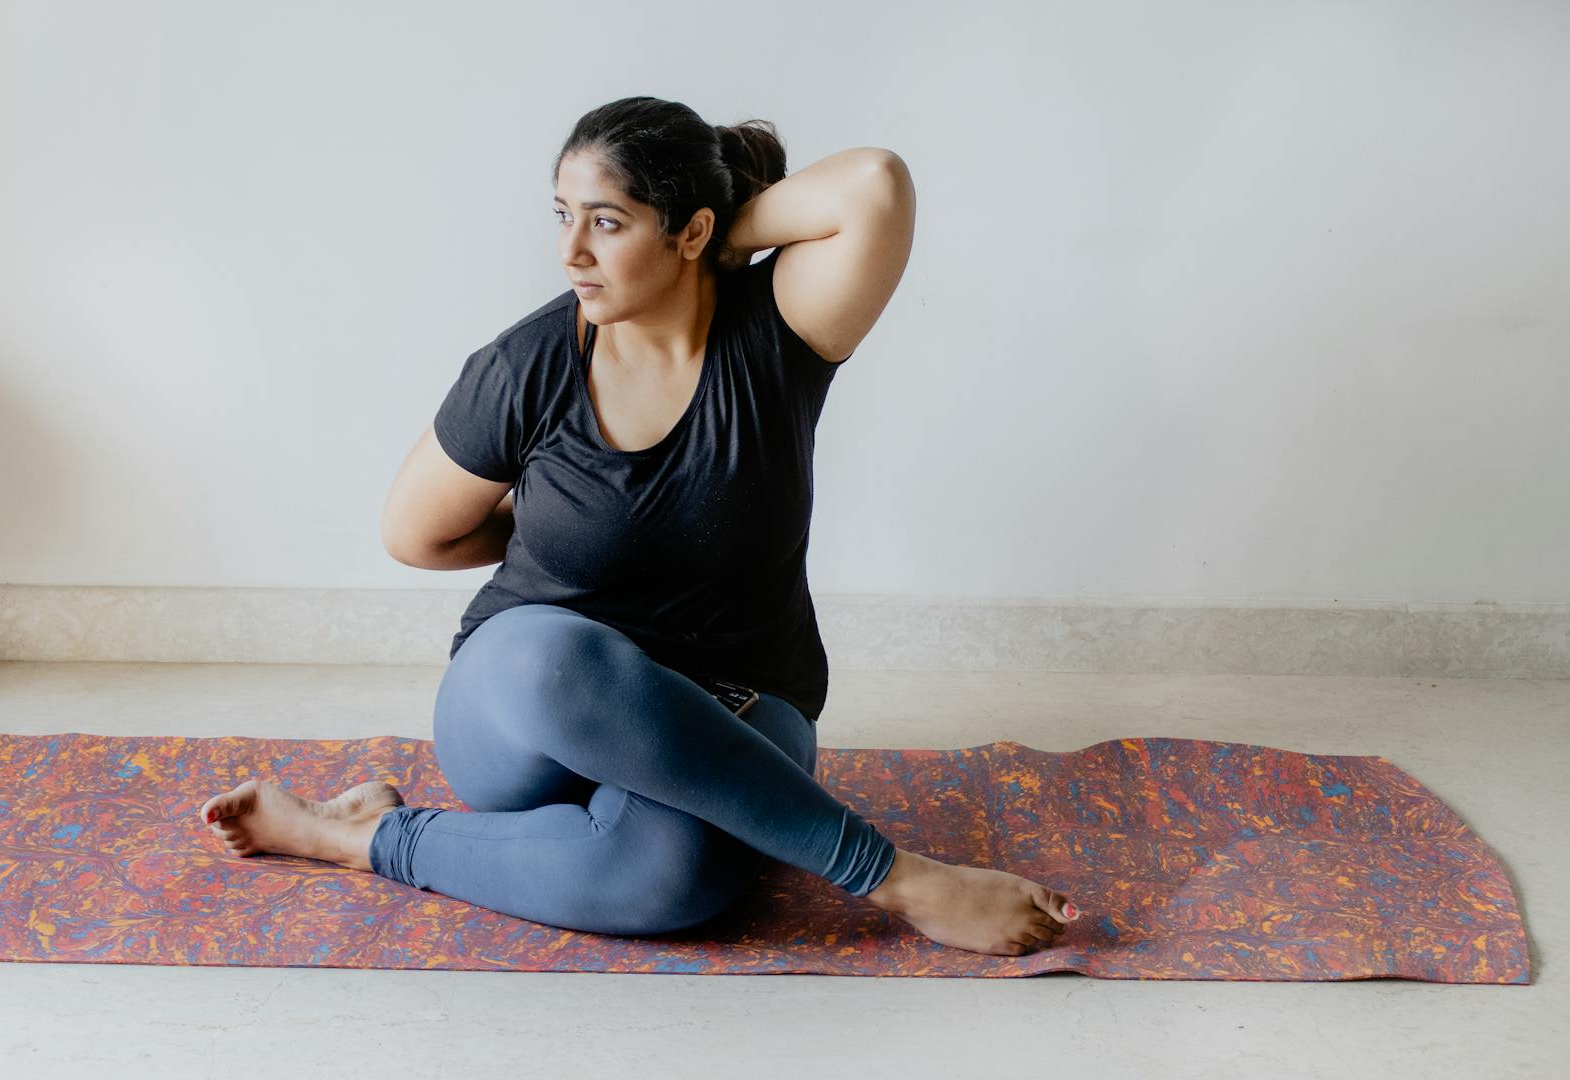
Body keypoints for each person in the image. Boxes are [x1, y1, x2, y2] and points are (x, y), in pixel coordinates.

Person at [199, 96, 1080, 956]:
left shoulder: (777, 334)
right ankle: (906, 881)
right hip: (528, 716)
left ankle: (358, 834)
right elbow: (415, 534)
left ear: (692, 231)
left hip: (734, 700)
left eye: (608, 222)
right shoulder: (527, 365)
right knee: (558, 652)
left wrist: (719, 236)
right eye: (563, 215)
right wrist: (557, 526)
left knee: (674, 882)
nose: (571, 252)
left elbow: (874, 184)